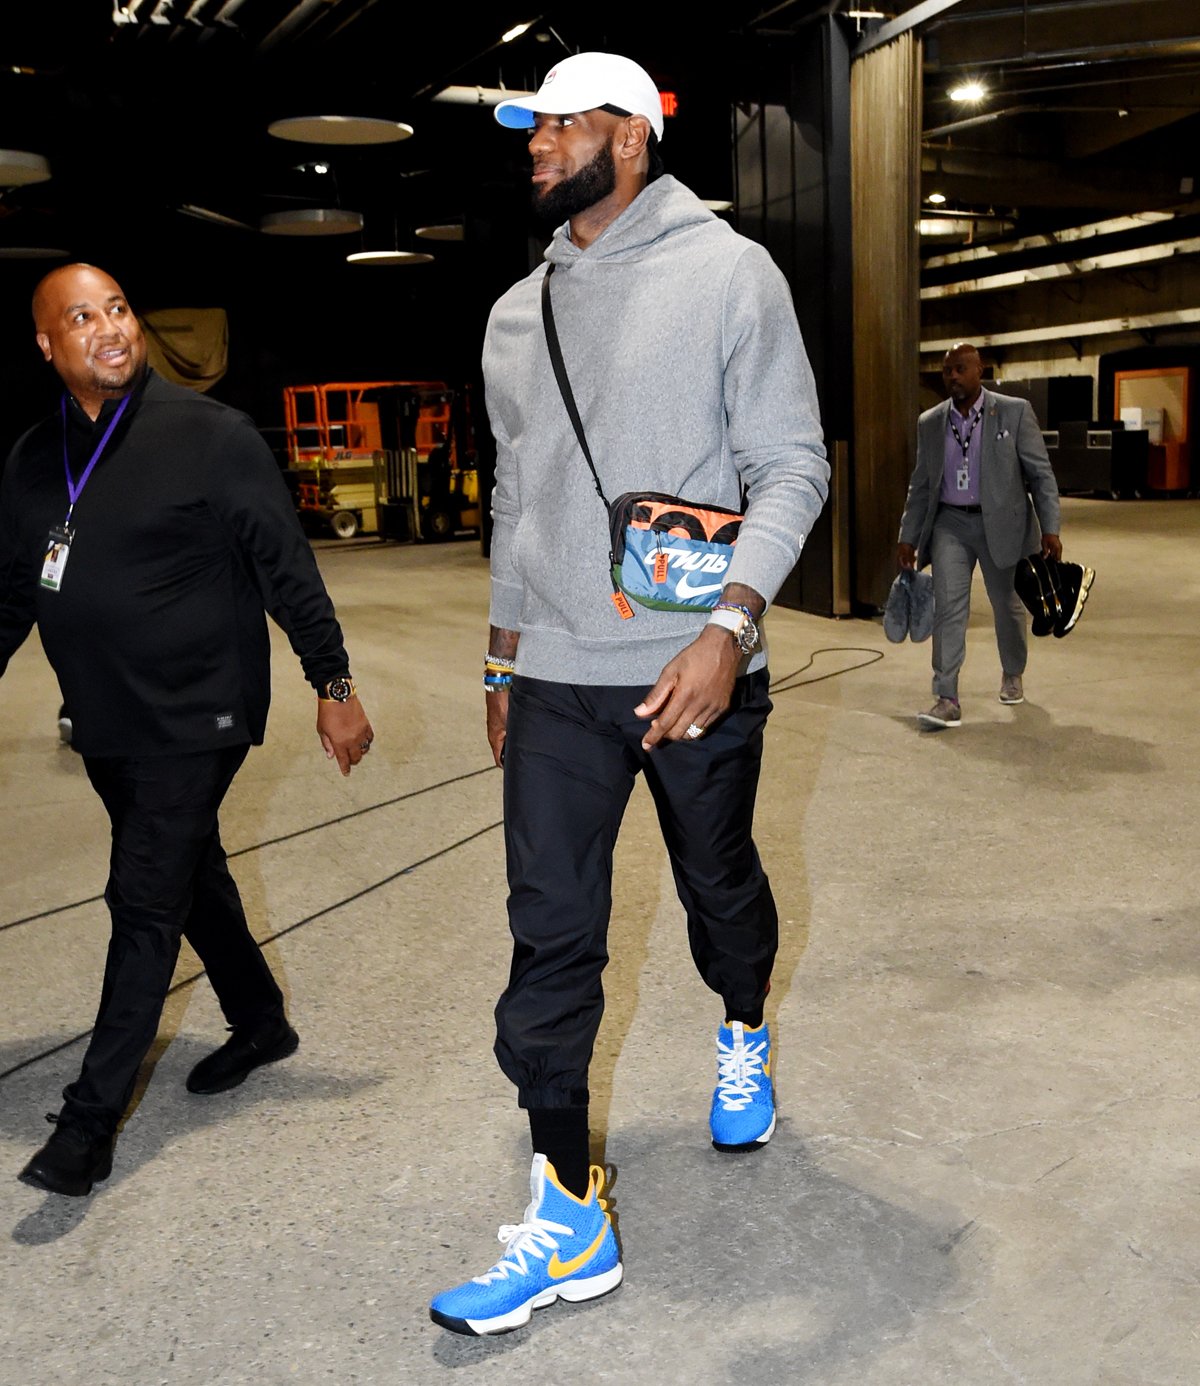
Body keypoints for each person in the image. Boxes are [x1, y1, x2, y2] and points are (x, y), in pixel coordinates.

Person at [428, 52, 828, 1337]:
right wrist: (502, 654)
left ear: (633, 136)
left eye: (559, 126)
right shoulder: (511, 313)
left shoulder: (729, 274)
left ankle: (742, 1020)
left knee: (720, 888)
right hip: (553, 677)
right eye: (528, 129)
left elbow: (792, 467)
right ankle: (566, 1215)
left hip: (690, 667)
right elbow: (519, 495)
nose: (536, 146)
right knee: (549, 933)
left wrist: (727, 628)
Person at [3, 263, 374, 1197]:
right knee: (186, 873)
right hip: (106, 716)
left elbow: (288, 569)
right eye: (82, 318)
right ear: (48, 345)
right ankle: (259, 1020)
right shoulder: (29, 463)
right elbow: (14, 595)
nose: (111, 329)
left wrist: (332, 682)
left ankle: (89, 1129)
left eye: (118, 309)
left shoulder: (212, 437)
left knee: (141, 897)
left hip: (200, 708)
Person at [897, 342, 1062, 729]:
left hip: (1002, 524)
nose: (952, 376)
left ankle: (1012, 671)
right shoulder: (930, 422)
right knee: (949, 606)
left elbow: (1041, 475)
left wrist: (1051, 528)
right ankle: (947, 696)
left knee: (1007, 604)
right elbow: (921, 485)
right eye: (947, 371)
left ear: (979, 371)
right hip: (950, 524)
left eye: (960, 369)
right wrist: (908, 534)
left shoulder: (1014, 412)